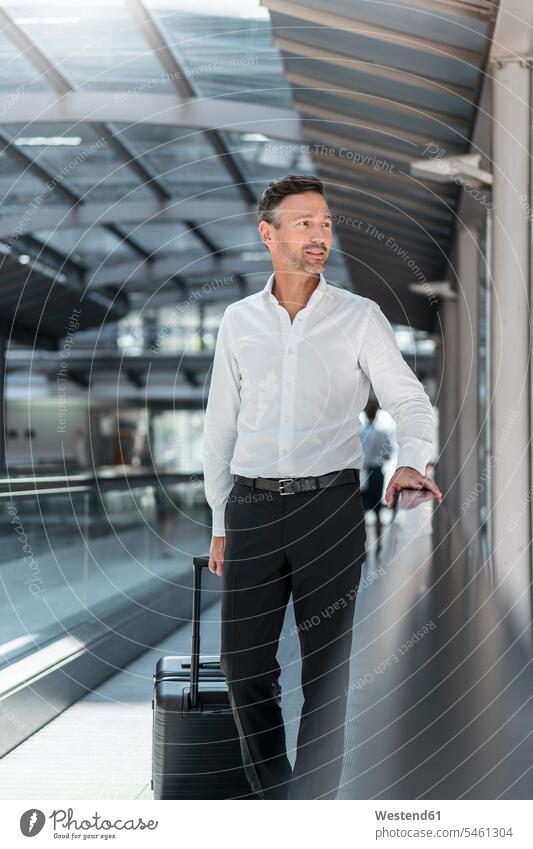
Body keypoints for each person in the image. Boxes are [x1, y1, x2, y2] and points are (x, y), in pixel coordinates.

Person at [202, 174, 442, 800]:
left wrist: (411, 462)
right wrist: (219, 521)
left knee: (327, 671)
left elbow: (412, 405)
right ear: (268, 234)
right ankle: (277, 798)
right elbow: (219, 426)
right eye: (304, 223)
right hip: (250, 507)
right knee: (243, 666)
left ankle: (312, 811)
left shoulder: (359, 318)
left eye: (326, 223)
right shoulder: (238, 321)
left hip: (330, 509)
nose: (320, 235)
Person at [360, 400, 393, 556]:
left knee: (363, 511)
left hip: (363, 474)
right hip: (377, 473)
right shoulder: (383, 434)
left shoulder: (359, 433)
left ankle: (364, 546)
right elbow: (388, 455)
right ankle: (379, 543)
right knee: (377, 509)